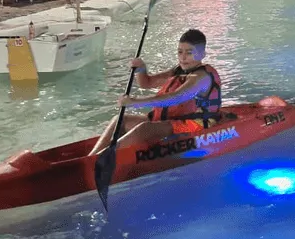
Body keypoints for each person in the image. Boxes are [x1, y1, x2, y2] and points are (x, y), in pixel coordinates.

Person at [88, 29, 222, 157]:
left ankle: (99, 161)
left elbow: (175, 98)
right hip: (175, 118)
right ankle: (93, 157)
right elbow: (147, 83)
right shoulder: (178, 70)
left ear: (202, 54)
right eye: (180, 52)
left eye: (189, 52)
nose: (183, 57)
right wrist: (141, 70)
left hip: (196, 124)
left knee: (144, 128)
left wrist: (134, 102)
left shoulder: (201, 77)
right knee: (120, 120)